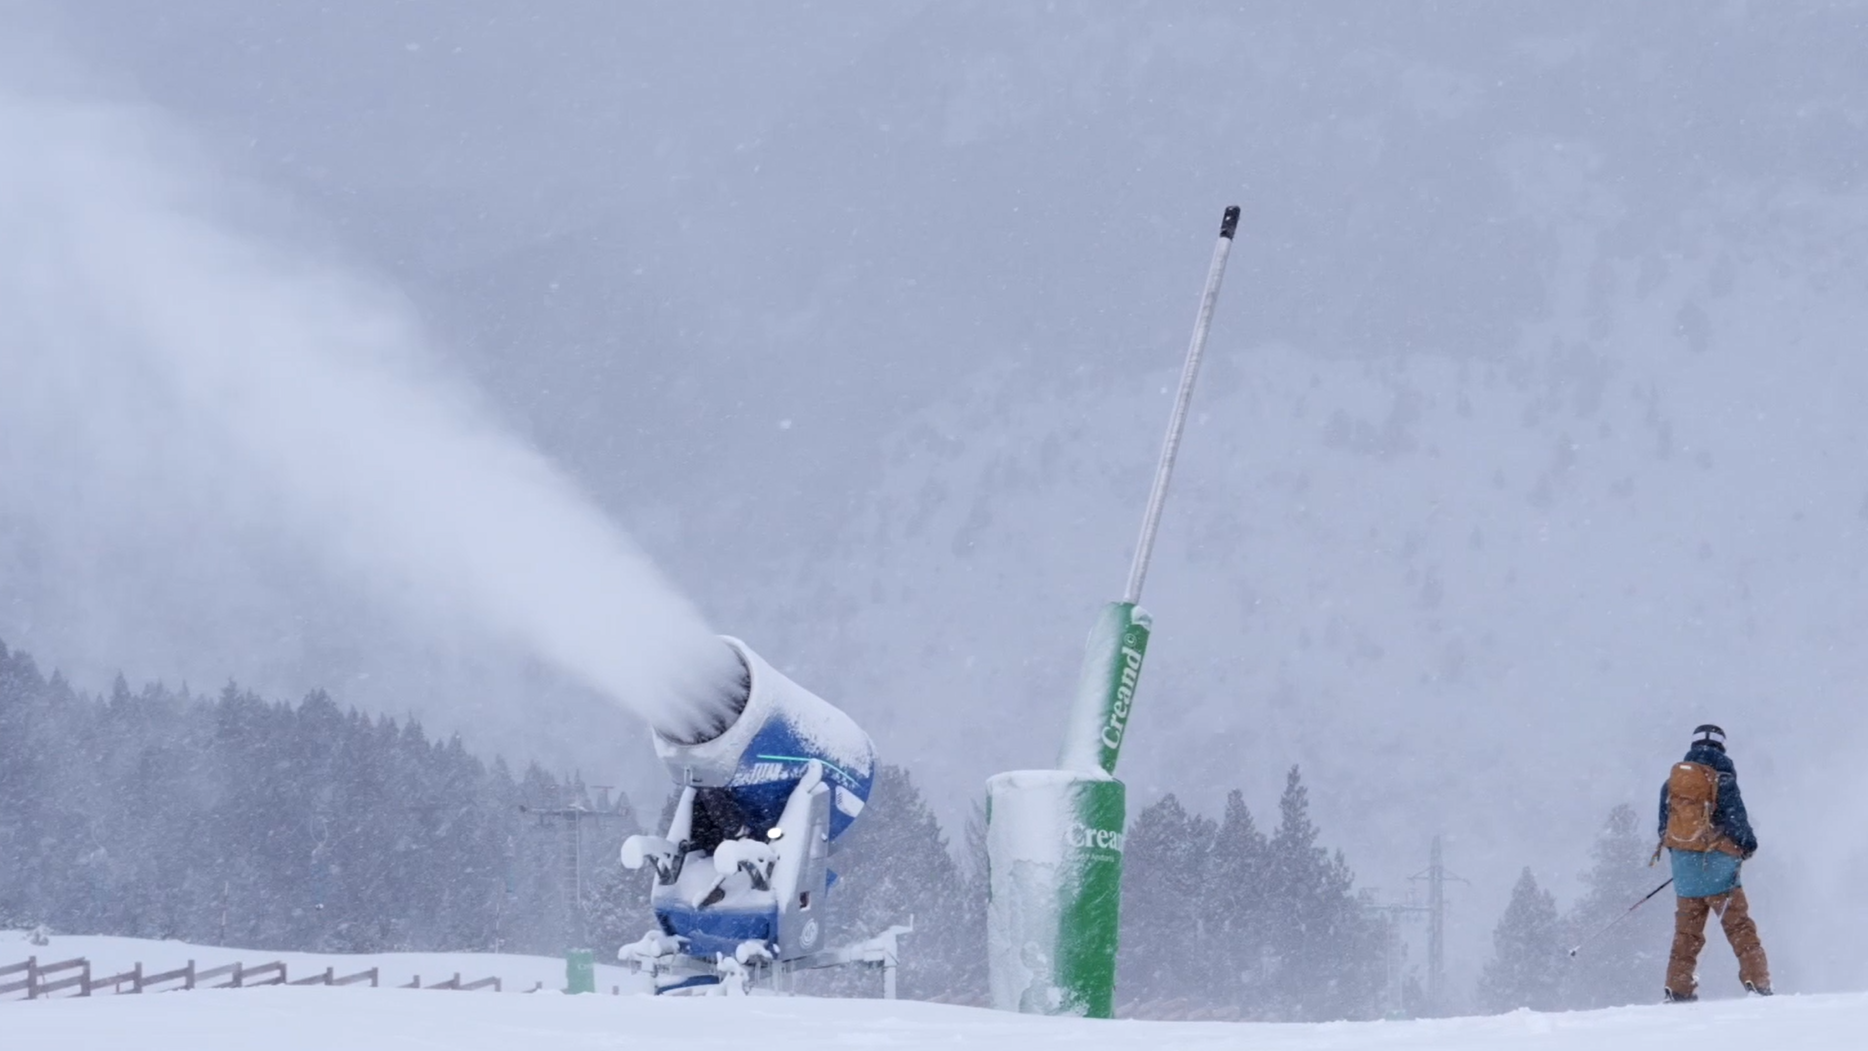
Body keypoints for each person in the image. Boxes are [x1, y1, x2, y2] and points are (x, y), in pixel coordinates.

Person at [1658, 724, 1771, 1001]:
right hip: (1720, 868)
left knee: (1686, 934)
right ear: (1722, 746)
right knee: (1740, 927)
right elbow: (1737, 824)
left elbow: (1664, 829)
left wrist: (1685, 857)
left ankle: (1678, 988)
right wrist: (1748, 847)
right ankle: (1757, 983)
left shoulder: (1672, 784)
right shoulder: (1723, 780)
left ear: (1693, 745)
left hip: (1685, 871)